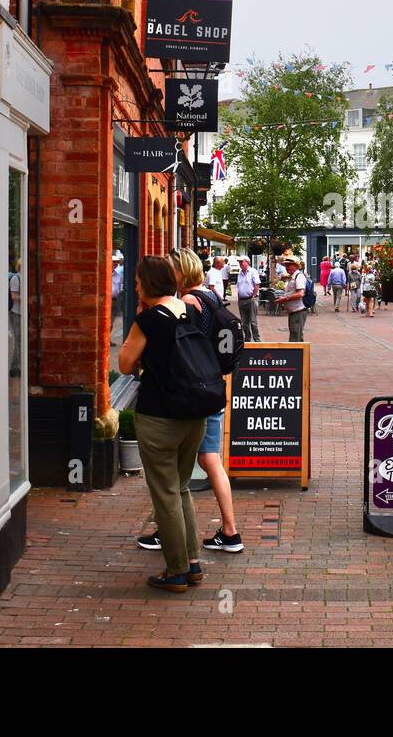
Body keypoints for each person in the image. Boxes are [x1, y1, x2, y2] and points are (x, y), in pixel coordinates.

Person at [118, 255, 206, 591]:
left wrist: (138, 330)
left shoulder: (150, 319)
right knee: (181, 488)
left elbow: (125, 364)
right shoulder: (192, 310)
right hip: (194, 413)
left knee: (165, 494)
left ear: (148, 284)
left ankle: (177, 570)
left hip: (159, 417)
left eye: (138, 281)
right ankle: (193, 562)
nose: (135, 286)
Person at [169, 248, 244, 555]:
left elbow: (182, 347)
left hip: (195, 392)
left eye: (170, 270)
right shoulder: (211, 295)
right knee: (209, 459)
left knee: (179, 462)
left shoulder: (188, 302)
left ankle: (170, 531)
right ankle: (230, 532)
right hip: (214, 387)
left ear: (180, 272)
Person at [276, 256, 308, 341]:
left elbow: (300, 293)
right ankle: (300, 354)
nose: (287, 267)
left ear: (295, 265)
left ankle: (296, 354)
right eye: (286, 265)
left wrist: (285, 298)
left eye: (289, 265)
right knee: (296, 336)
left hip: (298, 311)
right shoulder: (292, 277)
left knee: (295, 338)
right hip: (294, 312)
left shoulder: (299, 276)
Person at [234, 256, 261, 342]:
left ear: (247, 262)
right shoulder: (240, 273)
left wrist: (253, 296)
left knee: (253, 321)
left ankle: (257, 340)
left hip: (251, 299)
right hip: (242, 300)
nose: (240, 264)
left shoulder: (253, 272)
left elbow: (257, 284)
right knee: (244, 322)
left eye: (242, 262)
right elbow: (238, 287)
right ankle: (248, 339)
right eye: (239, 262)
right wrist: (239, 298)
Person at [110, 249, 125, 346]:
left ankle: (108, 338)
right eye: (113, 262)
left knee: (111, 321)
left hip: (115, 300)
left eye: (116, 262)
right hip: (106, 300)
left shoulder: (118, 275)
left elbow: (119, 289)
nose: (115, 264)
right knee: (107, 321)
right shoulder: (105, 273)